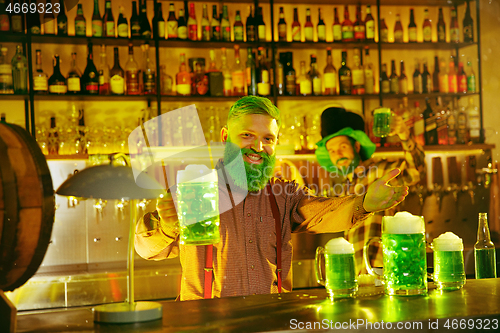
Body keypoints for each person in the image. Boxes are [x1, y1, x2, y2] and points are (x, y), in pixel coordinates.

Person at [135, 96, 409, 301]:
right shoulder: (195, 188)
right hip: (207, 324)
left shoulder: (284, 194)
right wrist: (167, 226)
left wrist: (365, 203)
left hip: (271, 320)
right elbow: (146, 249)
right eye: (247, 135)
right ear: (224, 137)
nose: (258, 146)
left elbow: (321, 212)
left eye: (268, 138)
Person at [315, 107, 425, 274]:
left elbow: (416, 171)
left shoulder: (380, 172)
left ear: (357, 146)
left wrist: (404, 135)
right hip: (359, 276)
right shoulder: (345, 187)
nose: (337, 154)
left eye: (343, 146)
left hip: (385, 270)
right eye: (331, 151)